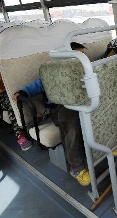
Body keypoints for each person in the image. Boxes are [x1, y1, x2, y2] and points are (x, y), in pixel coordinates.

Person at [13, 42, 90, 186]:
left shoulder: (87, 70)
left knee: (97, 114)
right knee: (72, 125)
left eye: (83, 55)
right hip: (61, 107)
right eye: (77, 56)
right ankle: (77, 167)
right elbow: (38, 85)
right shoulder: (54, 73)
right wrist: (23, 92)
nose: (82, 59)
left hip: (81, 103)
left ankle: (105, 147)